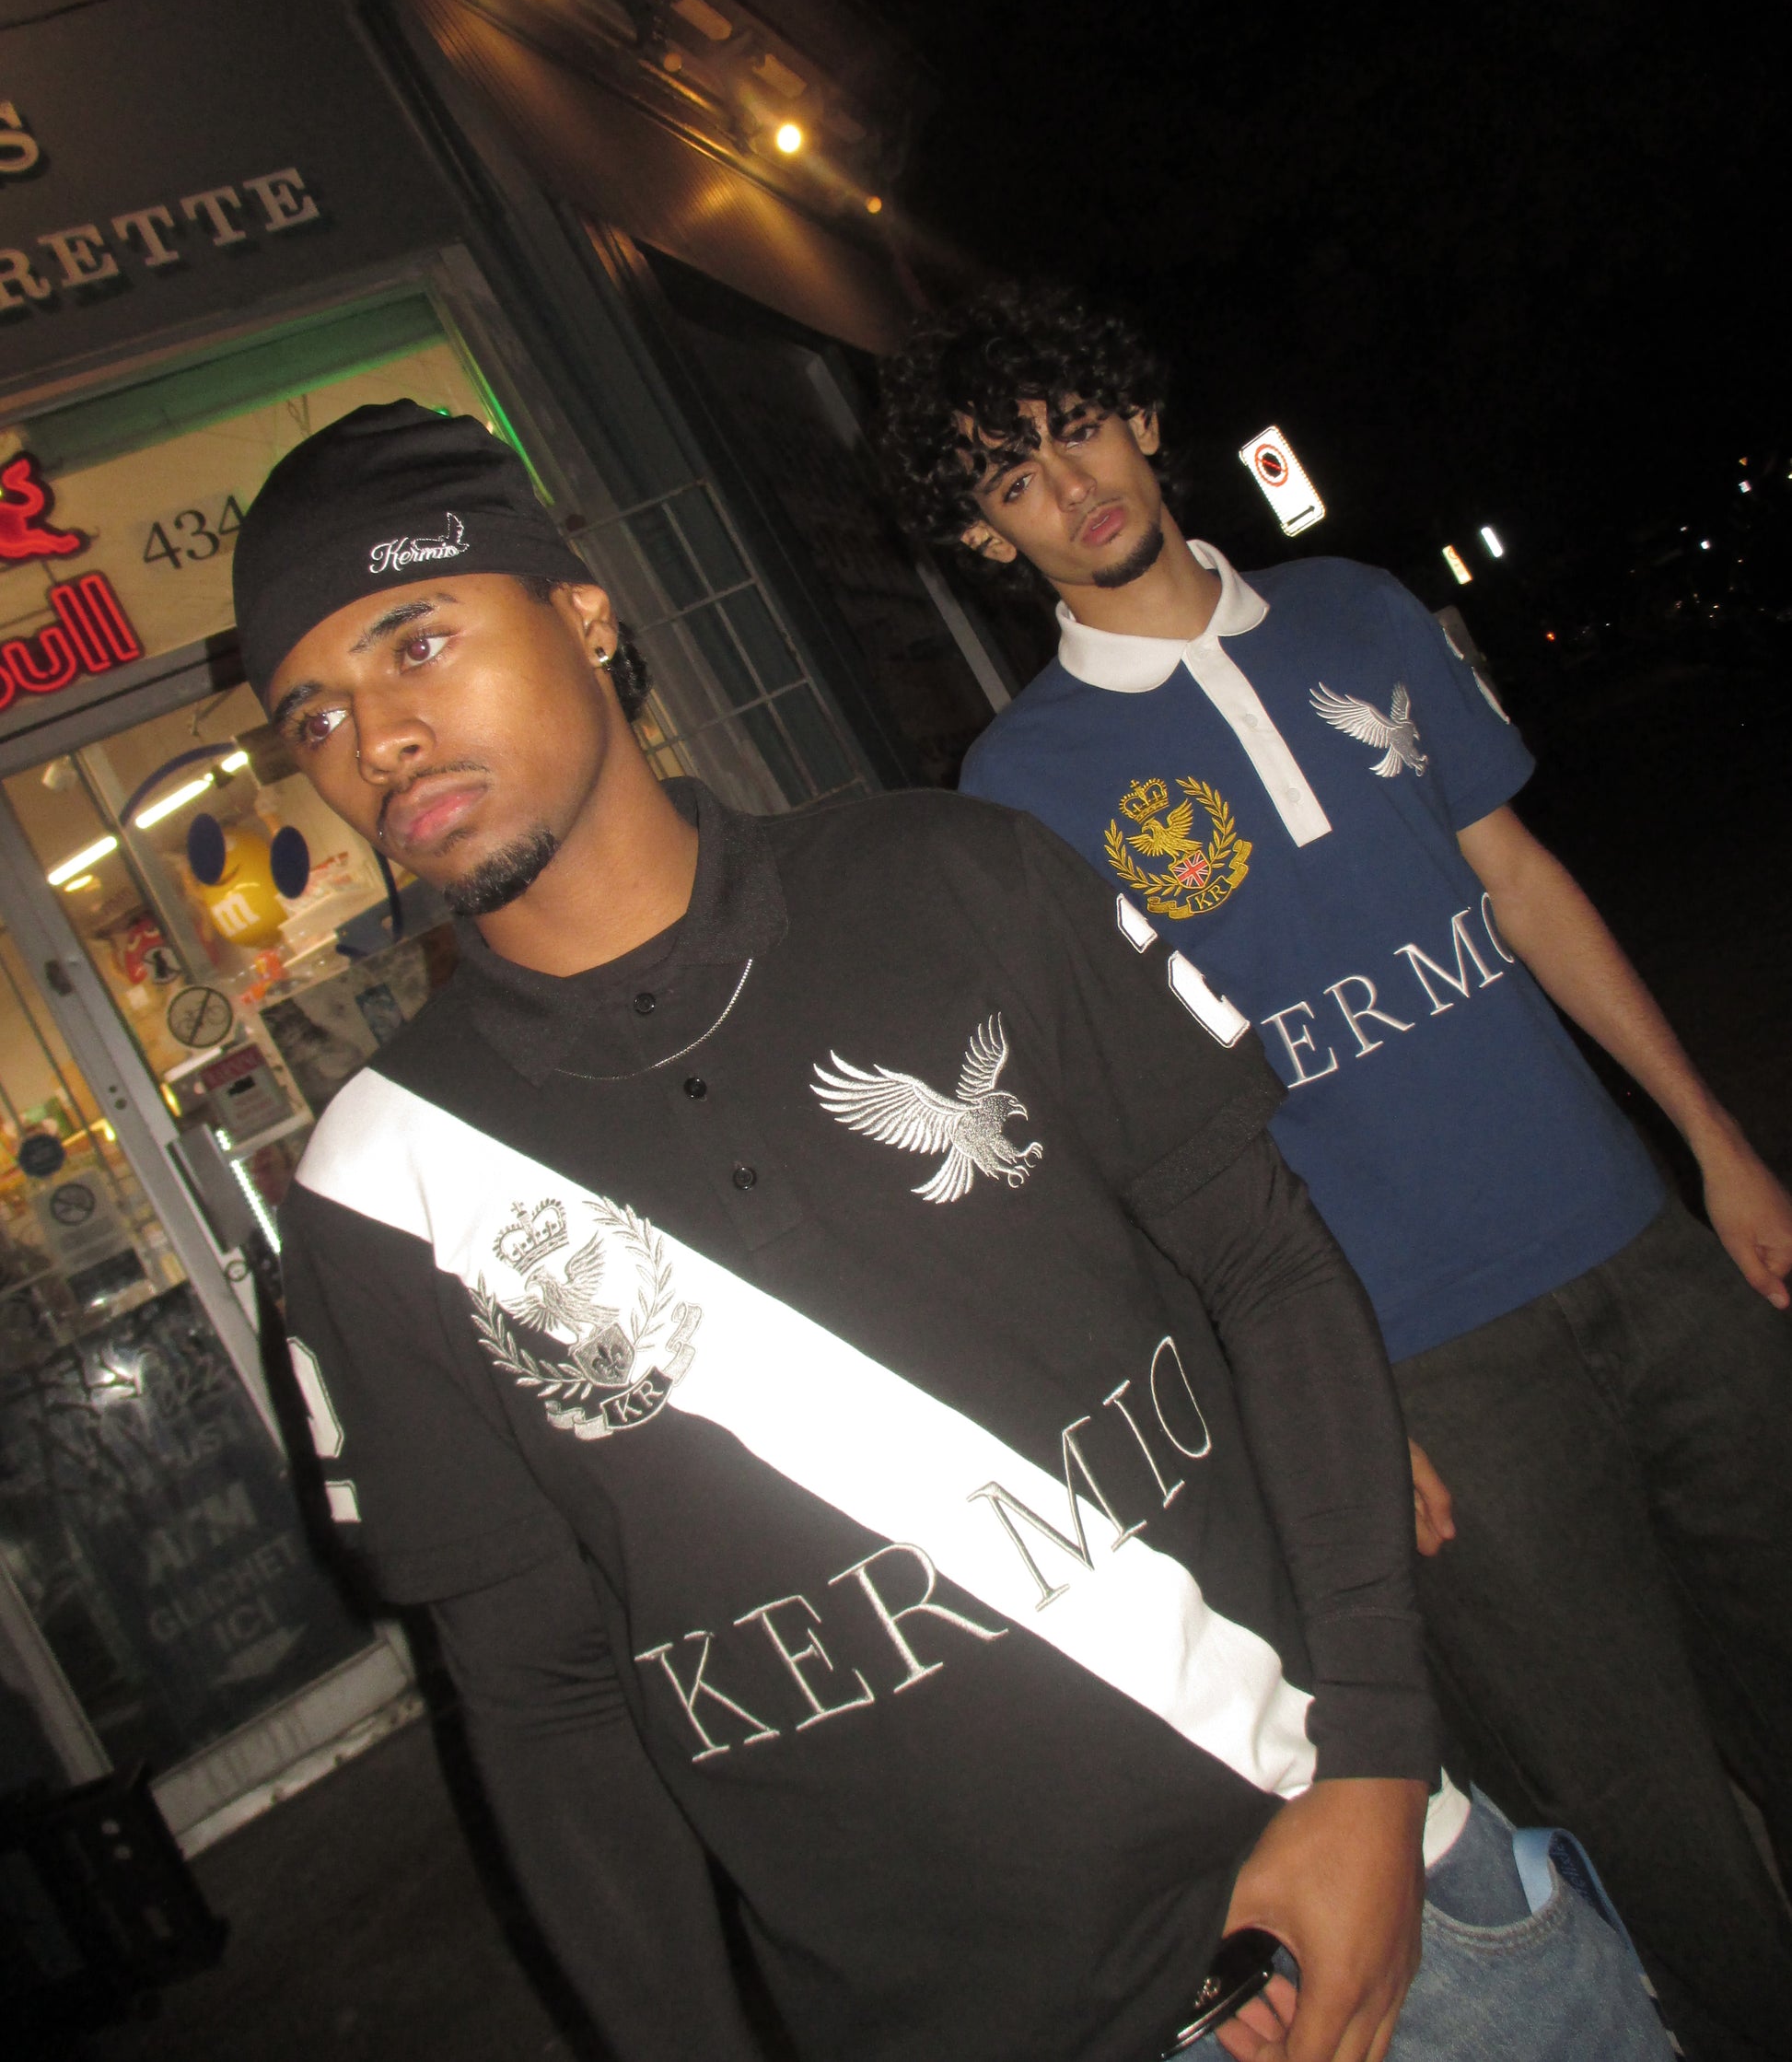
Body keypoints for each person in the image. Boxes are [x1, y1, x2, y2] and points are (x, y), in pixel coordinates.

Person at [239, 402, 1666, 2062]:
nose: (377, 738)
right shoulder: (379, 1189)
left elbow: (1266, 1269)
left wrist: (1371, 1765)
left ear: (584, 612)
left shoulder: (954, 879)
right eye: (314, 714)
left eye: (416, 642)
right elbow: (537, 1695)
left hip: (1377, 1900)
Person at [877, 284, 1792, 2062]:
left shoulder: (1358, 612)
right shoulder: (1018, 793)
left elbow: (1515, 882)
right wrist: (1335, 1412)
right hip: (1425, 1369)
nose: (1070, 486)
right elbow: (1135, 1146)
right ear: (984, 538)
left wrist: (1715, 1143)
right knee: (1636, 1797)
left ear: (1141, 420)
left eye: (1078, 428)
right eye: (1011, 478)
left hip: (1640, 1250)